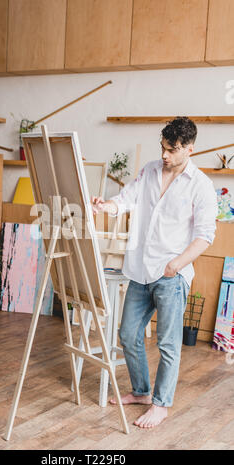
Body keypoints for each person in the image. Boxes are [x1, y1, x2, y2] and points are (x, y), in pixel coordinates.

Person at [91, 117, 218, 429]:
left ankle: (161, 406)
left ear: (189, 149)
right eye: (162, 147)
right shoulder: (149, 169)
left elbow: (205, 235)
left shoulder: (200, 185)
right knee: (128, 334)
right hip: (140, 269)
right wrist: (107, 206)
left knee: (167, 344)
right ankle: (142, 393)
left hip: (172, 275)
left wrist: (177, 264)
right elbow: (127, 199)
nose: (164, 155)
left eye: (172, 150)